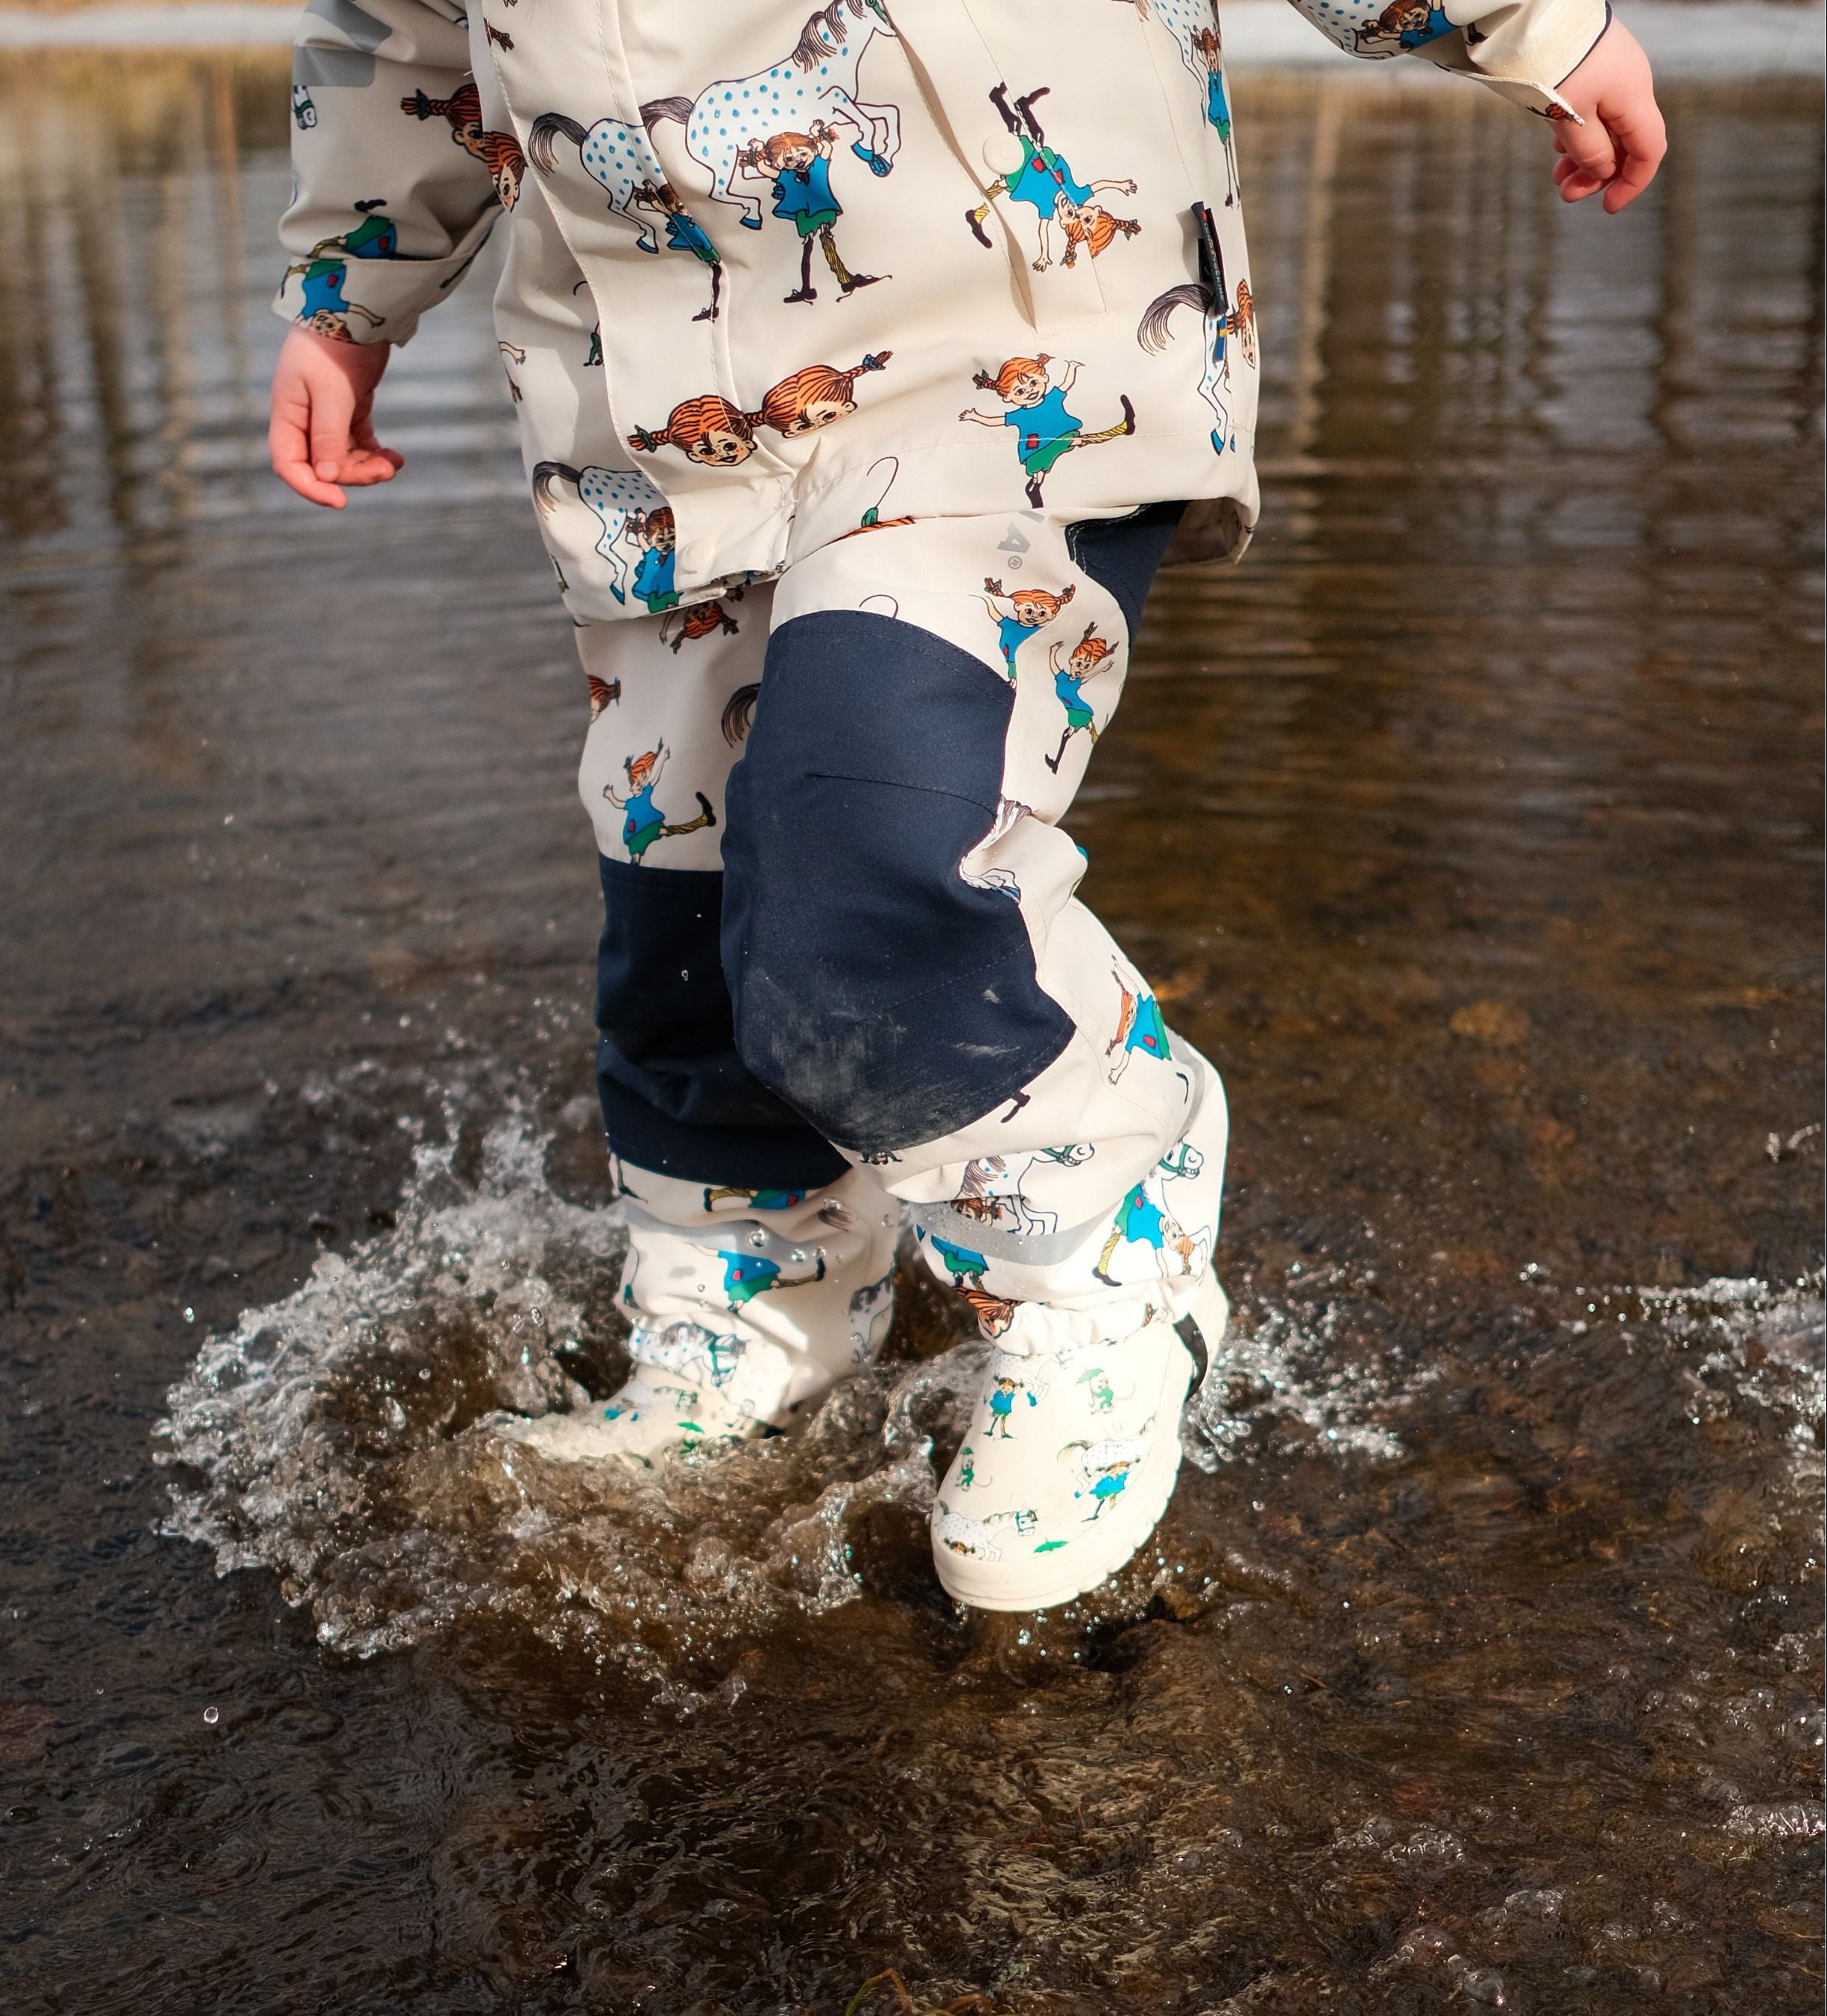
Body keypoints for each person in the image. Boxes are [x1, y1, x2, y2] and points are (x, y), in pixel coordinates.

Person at [268, 0, 1665, 1614]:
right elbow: (404, 25)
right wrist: (347, 288)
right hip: (648, 393)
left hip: (1000, 326)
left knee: (867, 861)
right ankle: (755, 1306)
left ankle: (1101, 1237)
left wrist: (1526, 23)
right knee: (683, 883)